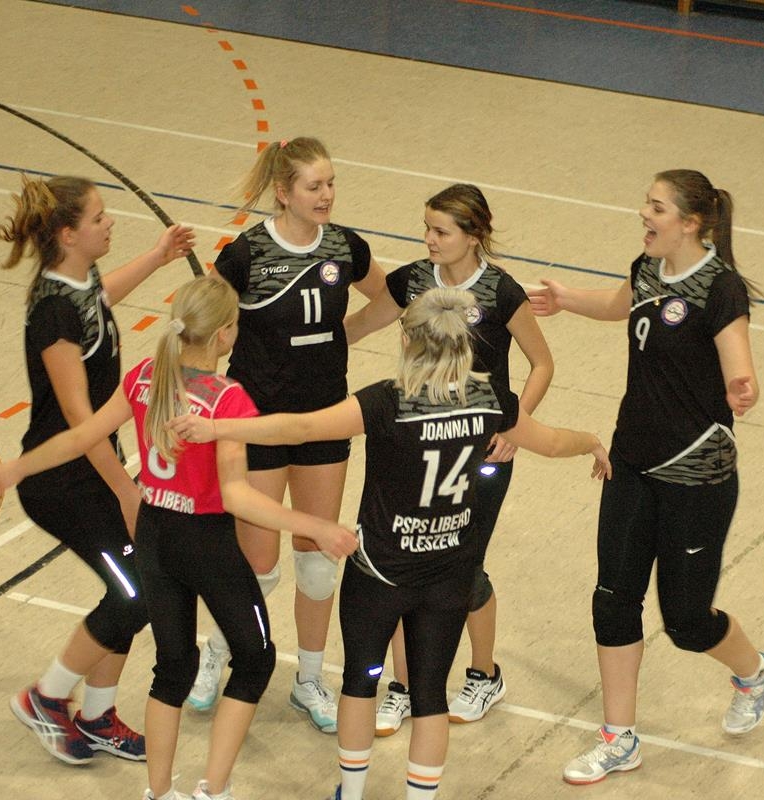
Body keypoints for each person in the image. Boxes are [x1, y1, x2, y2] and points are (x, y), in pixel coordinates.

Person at [170, 287, 610, 800]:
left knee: (361, 682)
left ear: (406, 340)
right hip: (448, 575)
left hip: (379, 573)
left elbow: (302, 427)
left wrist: (217, 427)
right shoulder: (492, 400)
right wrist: (592, 442)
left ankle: (352, 792)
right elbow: (553, 442)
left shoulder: (386, 401)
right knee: (429, 695)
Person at [0, 276, 360, 800]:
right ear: (225, 334)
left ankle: (159, 793)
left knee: (173, 669)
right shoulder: (226, 399)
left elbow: (81, 437)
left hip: (155, 536)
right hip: (206, 542)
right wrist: (315, 525)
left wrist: (19, 467)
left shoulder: (145, 376)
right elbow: (237, 497)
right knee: (255, 660)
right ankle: (214, 789)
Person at [528, 169, 764, 785]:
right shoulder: (647, 268)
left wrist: (742, 388)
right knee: (613, 598)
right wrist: (565, 299)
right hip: (631, 461)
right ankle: (619, 738)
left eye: (657, 207)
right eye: (647, 203)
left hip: (696, 473)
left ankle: (755, 672)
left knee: (687, 622)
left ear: (690, 223)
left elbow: (739, 361)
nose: (645, 213)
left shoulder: (720, 288)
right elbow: (622, 306)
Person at [188, 137, 387, 734]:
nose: (326, 195)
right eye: (313, 186)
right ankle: (217, 653)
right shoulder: (246, 255)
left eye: (331, 183)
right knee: (259, 564)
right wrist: (204, 396)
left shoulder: (345, 247)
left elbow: (390, 298)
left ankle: (310, 681)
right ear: (283, 191)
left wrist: (344, 336)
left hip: (325, 419)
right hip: (258, 420)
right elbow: (206, 326)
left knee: (318, 562)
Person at [0, 174, 194, 765]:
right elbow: (83, 424)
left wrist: (158, 257)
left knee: (137, 588)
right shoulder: (53, 314)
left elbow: (99, 299)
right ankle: (46, 697)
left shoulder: (76, 284)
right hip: (64, 481)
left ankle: (98, 716)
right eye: (99, 218)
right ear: (68, 234)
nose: (109, 223)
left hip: (90, 472)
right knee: (136, 594)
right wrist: (127, 492)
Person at [343, 184, 554, 736]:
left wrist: (515, 424)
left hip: (480, 449)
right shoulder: (412, 280)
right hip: (418, 446)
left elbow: (542, 363)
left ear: (474, 235)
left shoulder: (501, 292)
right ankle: (403, 686)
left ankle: (484, 675)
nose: (429, 240)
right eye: (427, 228)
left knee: (466, 567)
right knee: (403, 563)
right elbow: (356, 328)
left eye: (441, 231)